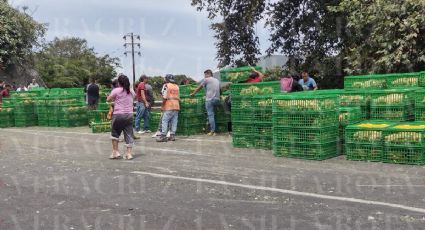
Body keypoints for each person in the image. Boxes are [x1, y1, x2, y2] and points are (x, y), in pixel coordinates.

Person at [107, 74, 135, 160]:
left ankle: (115, 152)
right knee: (129, 134)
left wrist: (109, 96)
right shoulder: (131, 91)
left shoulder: (116, 90)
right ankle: (129, 154)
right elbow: (134, 98)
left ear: (119, 82)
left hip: (118, 114)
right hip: (129, 115)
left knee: (115, 133)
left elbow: (108, 99)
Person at [191, 69, 221, 136]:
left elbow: (199, 87)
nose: (204, 76)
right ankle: (215, 130)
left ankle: (212, 131)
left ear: (208, 74)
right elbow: (219, 90)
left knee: (210, 115)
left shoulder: (206, 79)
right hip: (217, 99)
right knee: (213, 114)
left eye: (205, 74)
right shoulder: (217, 80)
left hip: (210, 100)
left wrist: (193, 93)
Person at [157, 74, 180, 142]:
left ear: (167, 79)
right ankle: (172, 135)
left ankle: (163, 136)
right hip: (176, 106)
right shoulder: (176, 86)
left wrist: (162, 106)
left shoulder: (166, 85)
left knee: (165, 120)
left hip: (169, 105)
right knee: (174, 121)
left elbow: (164, 97)